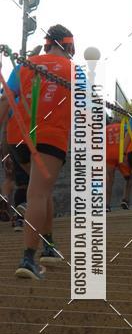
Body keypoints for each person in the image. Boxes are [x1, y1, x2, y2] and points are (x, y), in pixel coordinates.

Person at [0, 26, 74, 279]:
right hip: (50, 136)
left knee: (42, 190)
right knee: (39, 192)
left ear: (47, 45)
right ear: (70, 47)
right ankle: (28, 258)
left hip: (18, 136)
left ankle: (50, 246)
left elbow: (5, 100)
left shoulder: (25, 64)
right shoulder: (74, 70)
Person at [105, 118, 132, 211]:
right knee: (129, 178)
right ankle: (125, 200)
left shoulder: (105, 129)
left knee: (109, 180)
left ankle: (107, 205)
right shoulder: (124, 127)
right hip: (121, 155)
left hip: (109, 155)